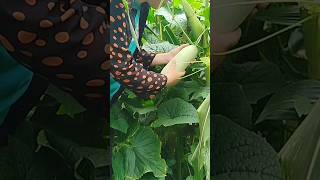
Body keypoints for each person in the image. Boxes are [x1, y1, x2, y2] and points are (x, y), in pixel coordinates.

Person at [0, 0, 185, 144]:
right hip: (22, 48)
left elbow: (127, 48)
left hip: (28, 66)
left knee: (16, 103)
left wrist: (161, 58)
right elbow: (119, 65)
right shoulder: (119, 9)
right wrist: (162, 80)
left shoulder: (135, 6)